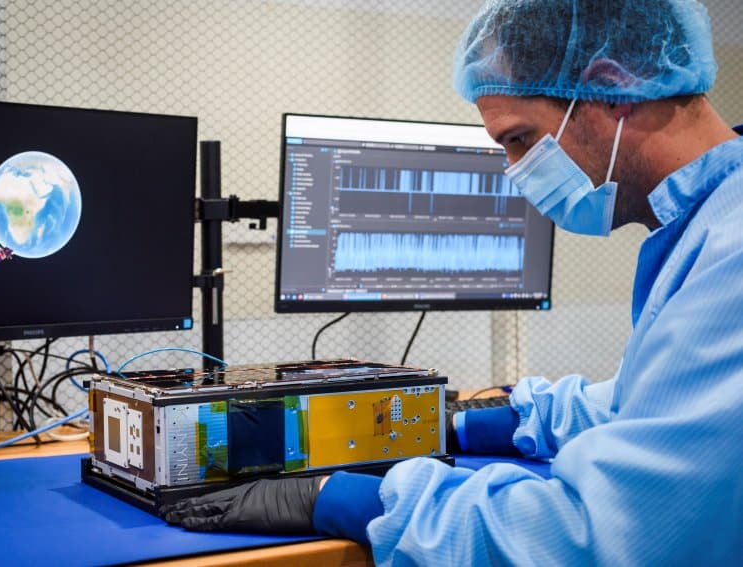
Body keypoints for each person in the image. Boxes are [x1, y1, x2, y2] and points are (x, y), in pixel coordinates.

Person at [163, 0, 743, 563]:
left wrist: (348, 499)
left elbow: (601, 538)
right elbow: (638, 409)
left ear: (609, 88)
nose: (516, 174)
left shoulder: (732, 253)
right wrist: (465, 425)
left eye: (519, 139)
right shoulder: (706, 223)